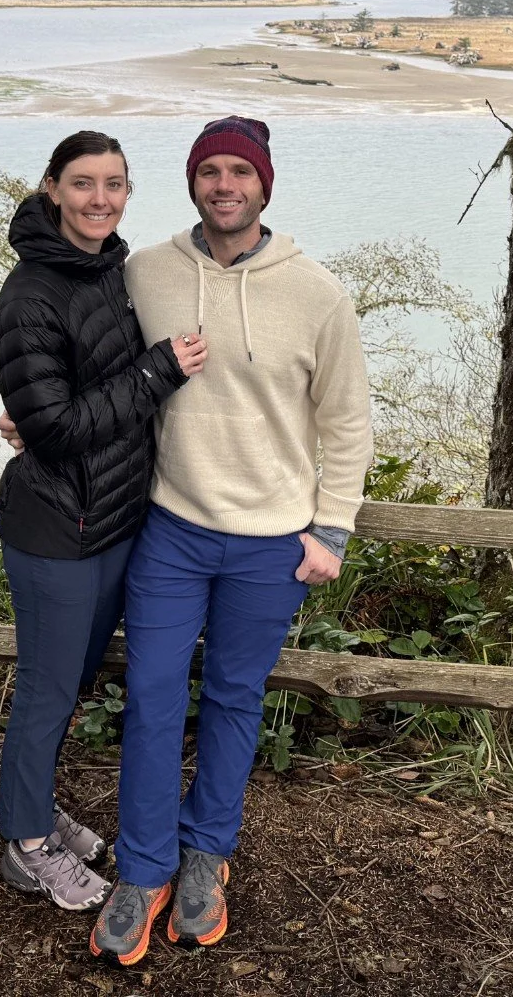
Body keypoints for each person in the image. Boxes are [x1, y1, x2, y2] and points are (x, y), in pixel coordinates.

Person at [87, 115, 373, 966]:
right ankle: (142, 869)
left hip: (271, 544)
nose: (224, 186)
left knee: (234, 699)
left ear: (263, 185)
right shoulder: (146, 273)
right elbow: (94, 361)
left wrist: (331, 530)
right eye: (210, 171)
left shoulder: (317, 293)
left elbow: (347, 421)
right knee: (150, 697)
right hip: (170, 530)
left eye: (239, 173)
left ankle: (206, 855)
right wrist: (35, 415)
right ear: (192, 182)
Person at [0, 130, 208, 912]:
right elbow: (57, 428)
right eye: (83, 183)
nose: (100, 199)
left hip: (109, 523)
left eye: (115, 183)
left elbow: (73, 394)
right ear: (51, 188)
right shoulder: (29, 298)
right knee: (47, 691)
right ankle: (25, 845)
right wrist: (159, 370)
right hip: (56, 532)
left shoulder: (110, 270)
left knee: (71, 683)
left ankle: (34, 807)